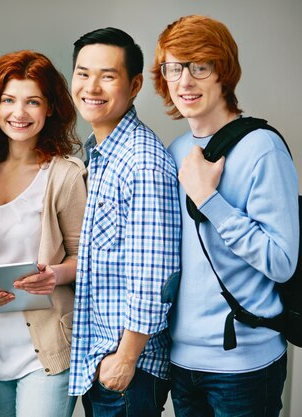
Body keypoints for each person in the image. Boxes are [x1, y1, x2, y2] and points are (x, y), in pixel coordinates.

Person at [152, 15, 298, 417]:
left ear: (224, 72)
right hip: (182, 361)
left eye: (200, 66)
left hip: (245, 365)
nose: (185, 81)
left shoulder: (262, 148)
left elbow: (282, 262)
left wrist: (208, 198)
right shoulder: (175, 150)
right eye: (173, 68)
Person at [68, 28, 182, 417]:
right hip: (103, 359)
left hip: (128, 370)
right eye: (82, 73)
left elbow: (156, 273)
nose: (91, 86)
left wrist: (126, 358)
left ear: (134, 86)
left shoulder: (141, 161)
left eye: (107, 76)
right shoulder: (101, 153)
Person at [0, 50, 86, 417]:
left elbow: (85, 258)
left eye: (32, 101)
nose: (19, 113)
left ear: (50, 108)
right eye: (8, 100)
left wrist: (55, 275)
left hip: (46, 347)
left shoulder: (65, 175)